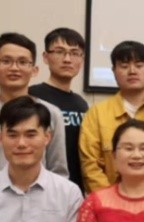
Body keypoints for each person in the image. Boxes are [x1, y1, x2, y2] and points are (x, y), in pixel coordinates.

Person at [0, 32, 69, 188]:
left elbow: (58, 171)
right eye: (6, 61)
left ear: (34, 70)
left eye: (22, 62)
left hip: (38, 200)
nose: (14, 68)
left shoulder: (52, 113)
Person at [79, 41, 144, 192]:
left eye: (139, 65)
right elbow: (90, 165)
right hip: (108, 201)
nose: (132, 71)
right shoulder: (97, 113)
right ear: (114, 71)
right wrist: (110, 199)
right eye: (124, 66)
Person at [29, 28, 90, 193]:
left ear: (82, 59)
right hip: (41, 189)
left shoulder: (81, 104)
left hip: (74, 190)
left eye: (75, 53)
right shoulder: (32, 96)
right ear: (45, 57)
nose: (67, 59)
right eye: (60, 52)